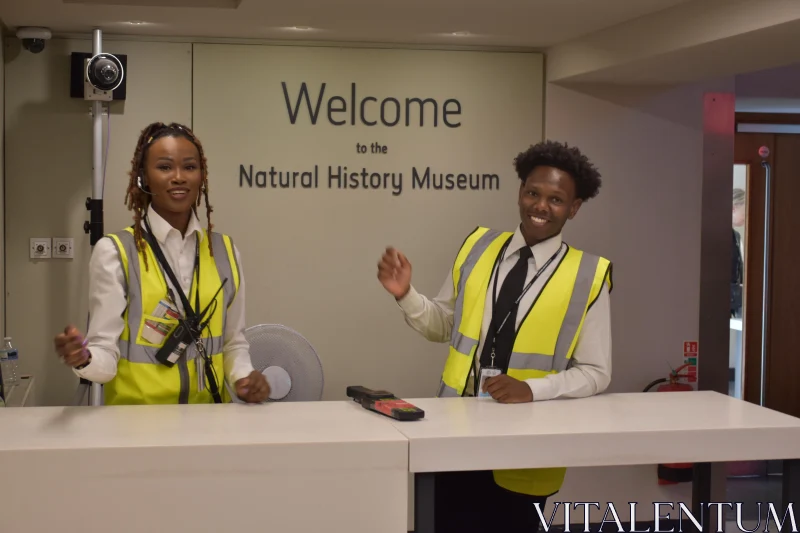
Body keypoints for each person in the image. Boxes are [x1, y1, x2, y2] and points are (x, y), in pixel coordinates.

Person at [377, 140, 612, 533]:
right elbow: (445, 325)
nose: (540, 206)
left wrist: (532, 390)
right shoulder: (478, 247)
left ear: (574, 208)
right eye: (533, 193)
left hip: (527, 447)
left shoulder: (589, 274)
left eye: (556, 199)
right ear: (520, 192)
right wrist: (406, 295)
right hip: (455, 435)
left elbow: (595, 372)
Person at [54, 122, 269, 405]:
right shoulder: (117, 252)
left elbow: (234, 343)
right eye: (165, 167)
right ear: (144, 178)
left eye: (189, 167)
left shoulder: (224, 251)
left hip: (211, 423)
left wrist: (244, 377)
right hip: (138, 429)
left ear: (201, 176)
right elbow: (104, 355)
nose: (179, 177)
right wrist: (84, 359)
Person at [731, 188, 745, 318]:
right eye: (744, 211)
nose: (747, 215)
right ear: (733, 208)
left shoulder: (736, 236)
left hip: (733, 300)